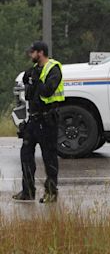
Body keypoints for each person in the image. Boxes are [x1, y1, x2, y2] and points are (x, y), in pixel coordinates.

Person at [12, 41, 64, 203]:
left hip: (48, 119)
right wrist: (30, 82)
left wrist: (36, 81)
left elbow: (48, 91)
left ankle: (51, 192)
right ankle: (28, 191)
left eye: (32, 52)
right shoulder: (34, 71)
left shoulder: (54, 69)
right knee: (25, 154)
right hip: (34, 119)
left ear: (40, 53)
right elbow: (28, 95)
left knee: (49, 157)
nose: (30, 55)